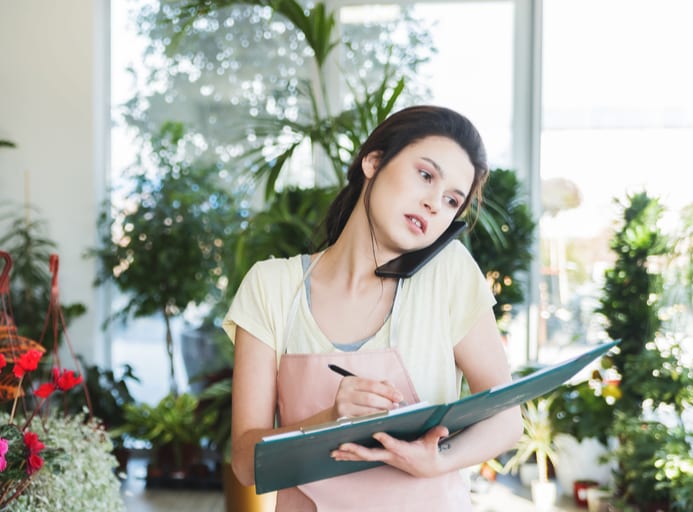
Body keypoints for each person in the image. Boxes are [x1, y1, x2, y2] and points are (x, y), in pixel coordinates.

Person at [223, 105, 523, 511]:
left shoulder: (448, 275)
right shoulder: (272, 286)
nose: (435, 203)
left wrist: (435, 460)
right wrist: (329, 419)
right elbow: (245, 462)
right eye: (425, 175)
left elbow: (506, 419)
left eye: (452, 200)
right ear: (374, 161)